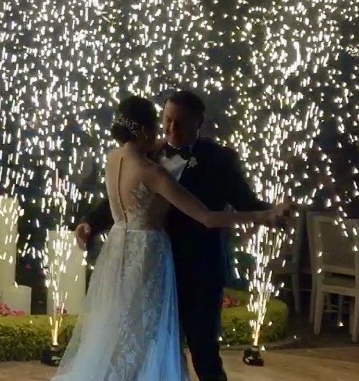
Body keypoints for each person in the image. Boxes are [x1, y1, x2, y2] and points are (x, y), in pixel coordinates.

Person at [55, 94, 289, 381]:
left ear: (198, 123)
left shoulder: (218, 159)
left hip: (197, 268)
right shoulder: (148, 155)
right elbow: (123, 199)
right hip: (148, 267)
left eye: (180, 123)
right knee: (142, 340)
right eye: (167, 121)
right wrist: (89, 222)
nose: (171, 129)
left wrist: (269, 213)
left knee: (203, 349)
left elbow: (243, 200)